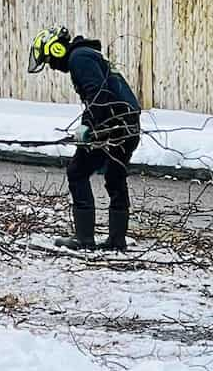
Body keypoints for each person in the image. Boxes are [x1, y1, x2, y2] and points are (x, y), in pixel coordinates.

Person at [28, 26, 141, 251]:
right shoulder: (91, 55)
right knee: (115, 177)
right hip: (129, 125)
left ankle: (84, 239)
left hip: (111, 127)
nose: (52, 66)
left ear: (57, 49)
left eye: (50, 60)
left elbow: (98, 95)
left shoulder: (79, 58)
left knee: (77, 172)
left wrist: (88, 127)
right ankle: (117, 241)